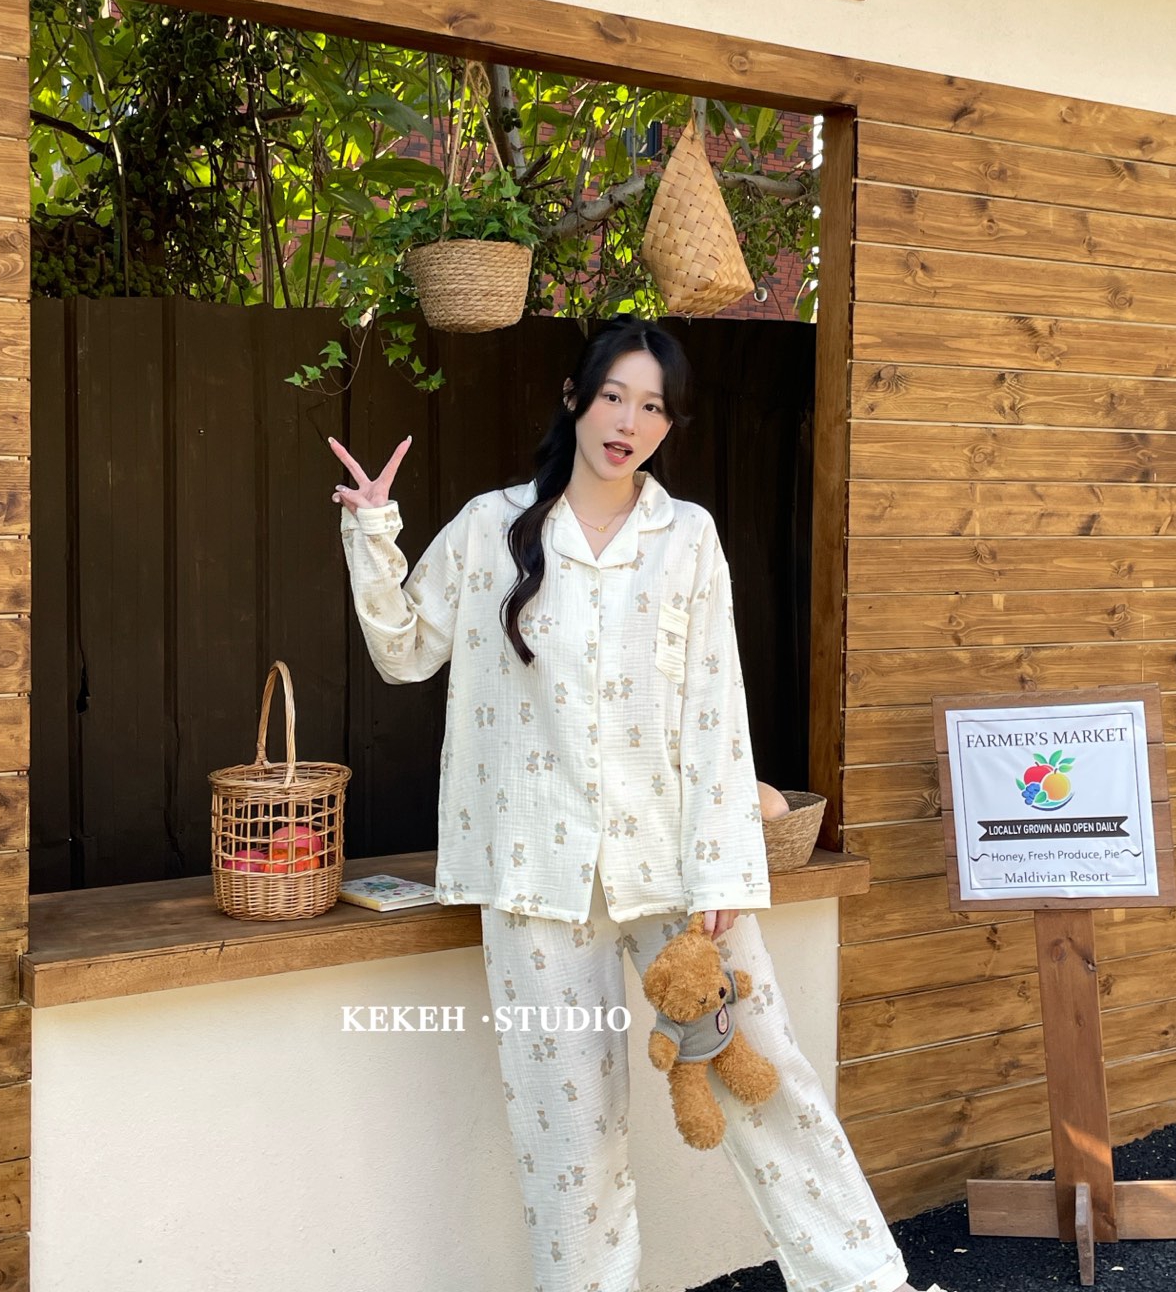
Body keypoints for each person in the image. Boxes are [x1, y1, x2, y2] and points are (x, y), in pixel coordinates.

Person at [330, 317, 940, 1292]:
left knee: (768, 1082)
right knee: (568, 1139)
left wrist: (728, 865)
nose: (629, 422)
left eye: (652, 406)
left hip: (677, 871)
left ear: (668, 423)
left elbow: (715, 706)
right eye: (614, 395)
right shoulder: (492, 527)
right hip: (534, 879)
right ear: (576, 398)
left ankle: (867, 1284)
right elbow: (405, 652)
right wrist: (373, 531)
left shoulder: (686, 538)